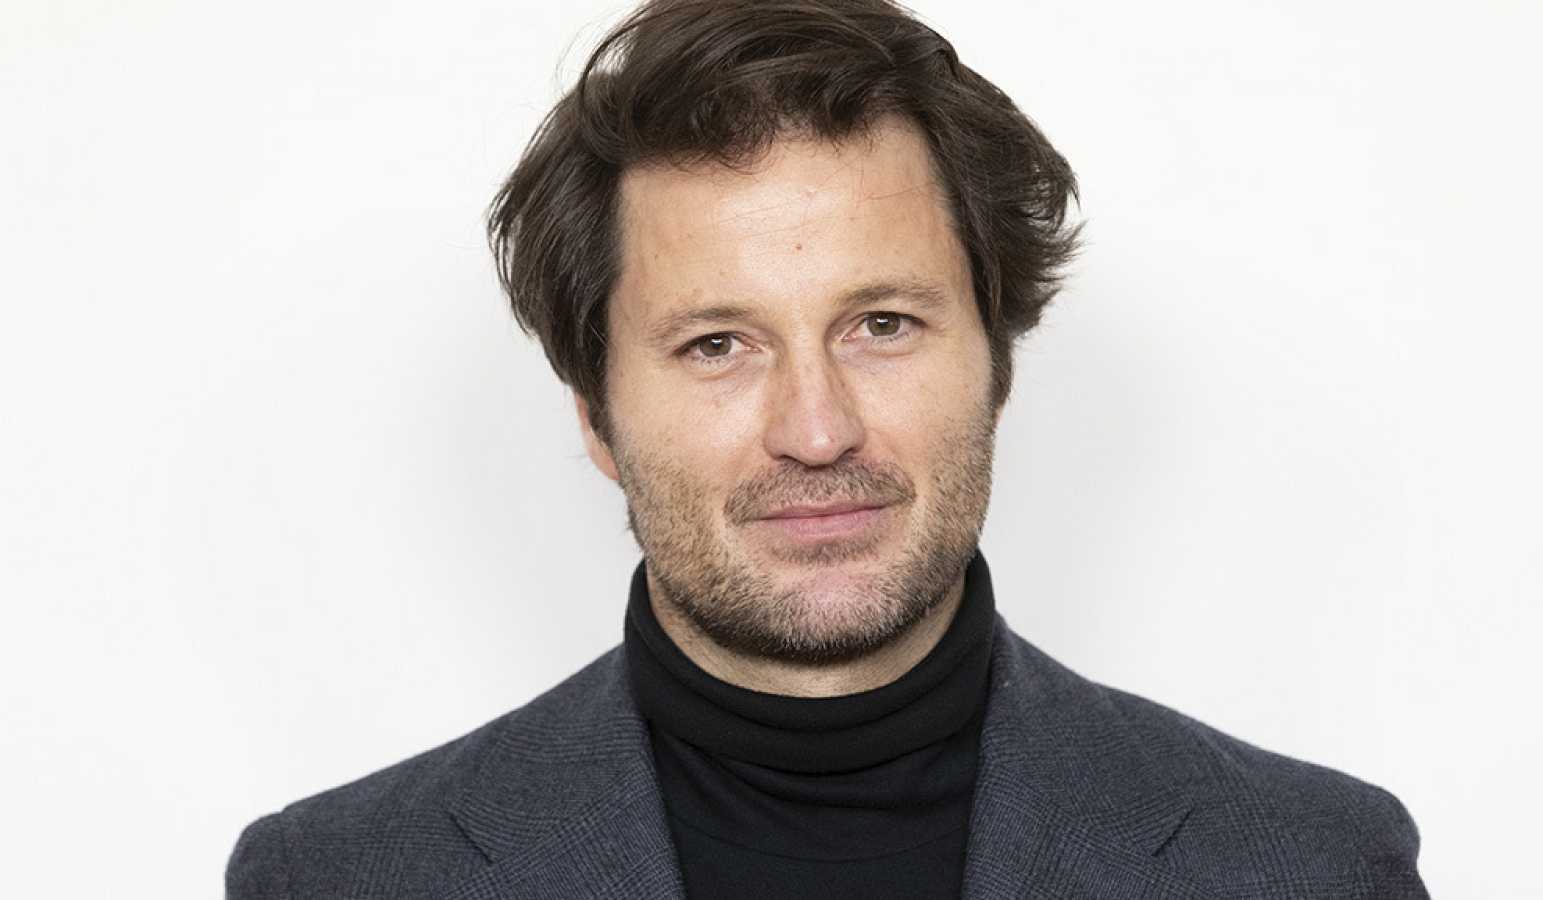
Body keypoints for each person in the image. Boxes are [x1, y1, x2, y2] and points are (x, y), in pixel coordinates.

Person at [226, 1, 1429, 897]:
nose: (816, 431)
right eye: (715, 345)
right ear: (595, 416)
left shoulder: (1313, 867)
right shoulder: (336, 879)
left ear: (998, 368)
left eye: (882, 325)